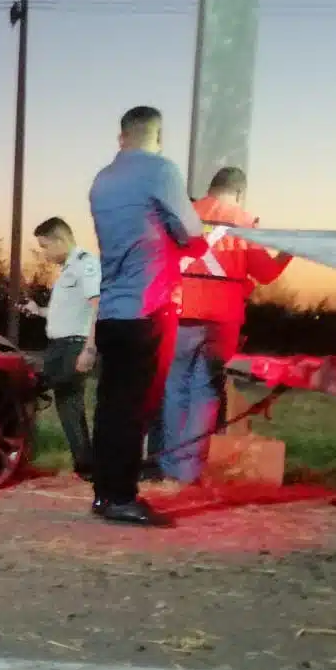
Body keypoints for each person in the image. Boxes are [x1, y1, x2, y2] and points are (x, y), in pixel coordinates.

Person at [86, 106, 206, 525]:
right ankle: (121, 497)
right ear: (157, 135)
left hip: (112, 311)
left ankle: (104, 492)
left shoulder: (102, 180)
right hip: (147, 306)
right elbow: (193, 235)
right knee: (135, 406)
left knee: (110, 405)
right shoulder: (160, 170)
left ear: (121, 137)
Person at [156, 166, 292, 486]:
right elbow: (266, 275)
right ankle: (189, 471)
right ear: (240, 193)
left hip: (180, 312)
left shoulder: (184, 215)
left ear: (211, 188)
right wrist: (288, 253)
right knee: (206, 391)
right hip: (223, 320)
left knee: (175, 388)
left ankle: (170, 466)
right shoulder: (245, 224)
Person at [21, 217, 100, 479]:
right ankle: (86, 465)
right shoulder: (67, 270)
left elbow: (97, 306)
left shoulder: (84, 264)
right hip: (60, 344)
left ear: (59, 240)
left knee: (32, 387)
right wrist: (38, 311)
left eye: (45, 247)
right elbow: (65, 313)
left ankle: (18, 450)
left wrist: (90, 349)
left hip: (73, 346)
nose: (44, 254)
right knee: (69, 406)